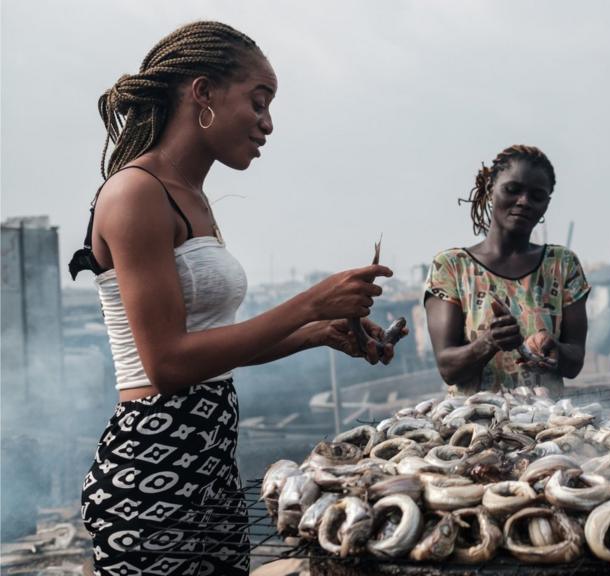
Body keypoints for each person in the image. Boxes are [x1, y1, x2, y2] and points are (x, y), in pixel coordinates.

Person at [71, 22, 397, 575]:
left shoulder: (193, 198)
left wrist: (319, 334)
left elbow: (211, 351)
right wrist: (310, 304)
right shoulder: (134, 193)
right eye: (259, 101)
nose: (268, 123)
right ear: (202, 93)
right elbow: (169, 363)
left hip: (208, 464)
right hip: (151, 469)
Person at [424, 145, 589, 396]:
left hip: (548, 426)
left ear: (546, 205)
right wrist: (489, 342)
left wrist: (555, 348)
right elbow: (448, 368)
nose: (523, 201)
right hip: (475, 425)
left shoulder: (562, 265)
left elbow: (574, 362)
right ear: (491, 190)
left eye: (537, 196)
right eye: (512, 190)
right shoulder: (451, 267)